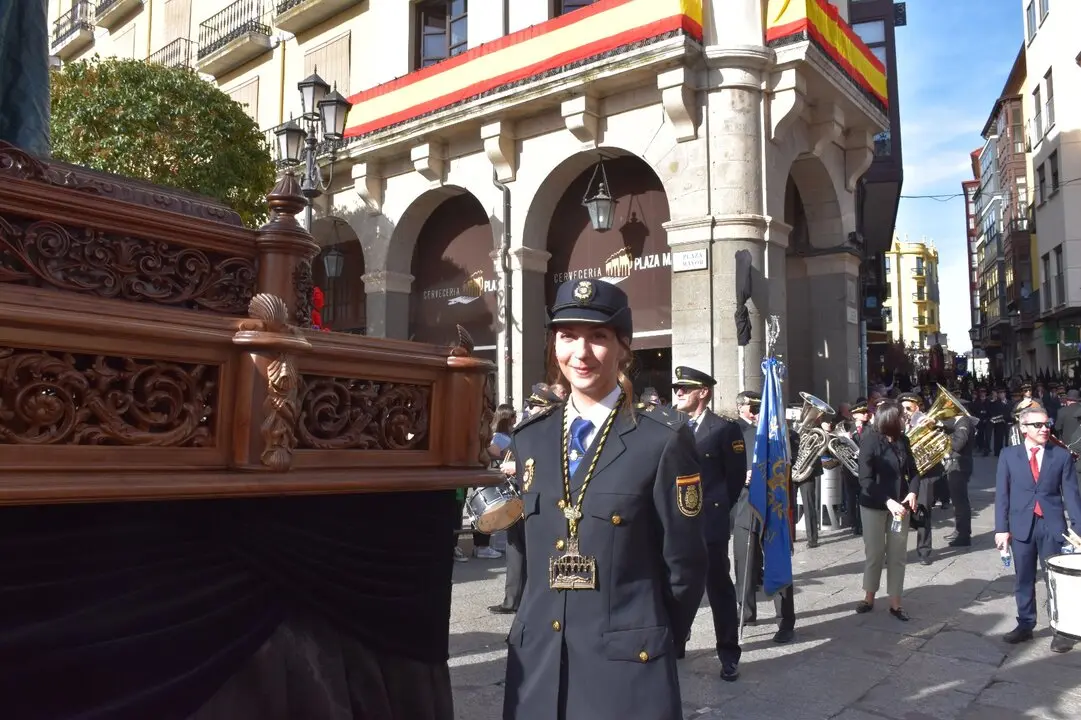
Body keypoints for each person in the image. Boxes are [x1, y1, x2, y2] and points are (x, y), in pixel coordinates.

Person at [502, 278, 706, 720]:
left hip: (626, 672)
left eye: (598, 337)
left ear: (623, 348)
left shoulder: (661, 441)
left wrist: (649, 636)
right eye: (568, 336)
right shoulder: (531, 439)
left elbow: (685, 564)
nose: (581, 352)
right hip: (536, 666)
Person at [672, 366, 745, 679]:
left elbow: (735, 478)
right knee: (677, 584)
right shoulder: (672, 424)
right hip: (676, 522)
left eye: (684, 389)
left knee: (718, 588)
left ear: (703, 392)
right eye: (676, 389)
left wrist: (716, 511)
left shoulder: (724, 429)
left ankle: (728, 652)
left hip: (709, 521)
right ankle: (677, 639)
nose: (678, 393)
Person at [994, 406, 1081, 654]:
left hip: (1052, 526)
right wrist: (1001, 528)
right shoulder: (1008, 455)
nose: (1045, 429)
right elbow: (1002, 495)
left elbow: (1072, 496)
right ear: (1023, 429)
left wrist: (1078, 528)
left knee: (1055, 580)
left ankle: (1061, 630)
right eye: (1038, 425)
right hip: (1021, 526)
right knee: (1024, 578)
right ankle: (1025, 624)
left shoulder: (1061, 456)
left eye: (1047, 424)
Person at [731, 390, 797, 644]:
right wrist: (741, 476)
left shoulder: (781, 435)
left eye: (763, 407)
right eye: (755, 407)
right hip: (746, 506)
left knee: (777, 561)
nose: (759, 412)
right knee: (744, 564)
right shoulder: (733, 432)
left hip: (776, 508)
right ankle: (746, 612)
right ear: (742, 409)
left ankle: (785, 621)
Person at [856, 399, 920, 621]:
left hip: (900, 506)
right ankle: (869, 597)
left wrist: (912, 492)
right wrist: (887, 501)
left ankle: (895, 603)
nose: (905, 418)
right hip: (874, 504)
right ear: (891, 419)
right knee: (874, 553)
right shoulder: (870, 441)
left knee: (897, 555)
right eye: (902, 416)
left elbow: (914, 471)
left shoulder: (903, 440)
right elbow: (865, 479)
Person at [489, 404, 527, 614]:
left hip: (539, 498)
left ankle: (522, 601)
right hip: (520, 496)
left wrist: (518, 468)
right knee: (515, 546)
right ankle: (512, 601)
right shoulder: (521, 432)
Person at [942, 411, 976, 547]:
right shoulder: (958, 421)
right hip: (956, 465)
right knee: (957, 501)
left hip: (959, 466)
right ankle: (959, 530)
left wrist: (942, 438)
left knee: (960, 502)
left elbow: (958, 444)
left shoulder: (964, 422)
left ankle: (963, 536)